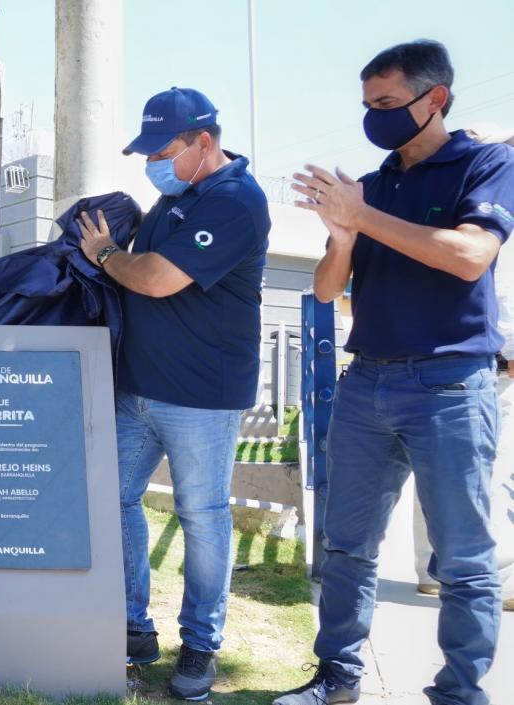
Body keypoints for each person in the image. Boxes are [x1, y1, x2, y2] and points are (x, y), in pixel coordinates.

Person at [275, 41, 514, 705]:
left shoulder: (486, 163)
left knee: (464, 562)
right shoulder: (371, 185)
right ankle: (337, 678)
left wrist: (363, 216)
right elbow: (326, 290)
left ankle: (459, 694)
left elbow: (471, 255)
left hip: (450, 386)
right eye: (366, 105)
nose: (373, 117)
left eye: (385, 103)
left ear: (434, 98)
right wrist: (344, 235)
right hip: (367, 384)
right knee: (346, 548)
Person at [79, 87, 270, 700]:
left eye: (162, 151)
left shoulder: (237, 200)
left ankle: (200, 646)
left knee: (203, 518)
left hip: (201, 399)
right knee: (112, 500)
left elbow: (156, 278)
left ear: (203, 143)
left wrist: (104, 253)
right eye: (145, 154)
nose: (151, 165)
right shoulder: (173, 197)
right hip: (136, 389)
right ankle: (132, 628)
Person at [410, 130, 514, 614]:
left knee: (448, 474)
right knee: (484, 478)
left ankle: (433, 569)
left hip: (471, 356)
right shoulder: (486, 209)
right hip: (489, 362)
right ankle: (495, 580)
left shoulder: (469, 200)